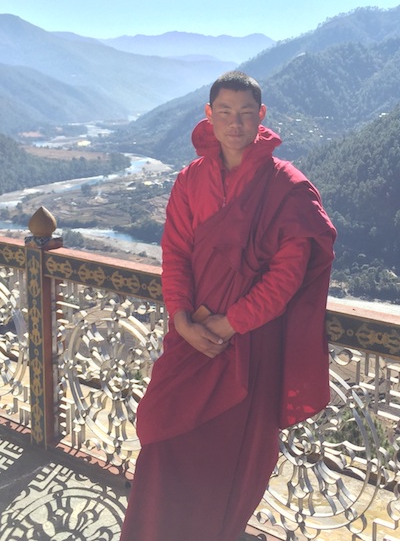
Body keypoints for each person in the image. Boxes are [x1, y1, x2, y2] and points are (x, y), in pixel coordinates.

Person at [120, 71, 337, 541]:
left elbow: (286, 276)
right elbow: (175, 254)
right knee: (163, 446)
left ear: (261, 117)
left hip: (248, 348)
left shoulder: (288, 188)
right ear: (209, 116)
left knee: (225, 473)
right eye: (224, 113)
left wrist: (229, 323)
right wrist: (180, 317)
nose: (234, 123)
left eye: (245, 113)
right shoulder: (190, 180)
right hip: (190, 341)